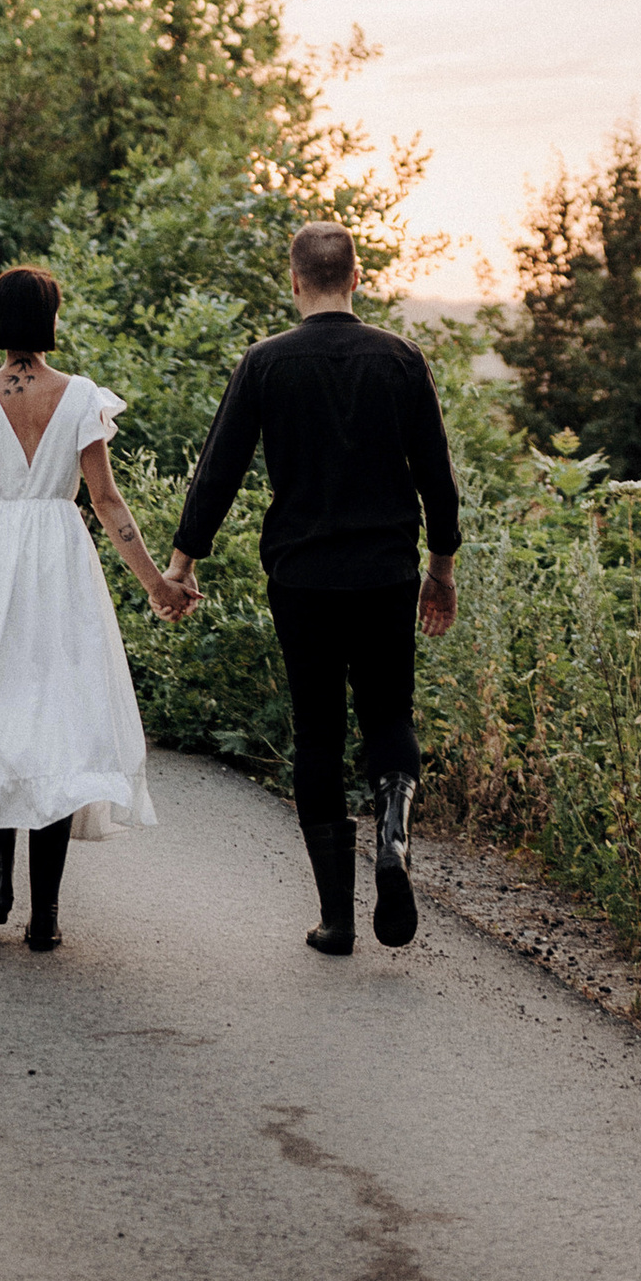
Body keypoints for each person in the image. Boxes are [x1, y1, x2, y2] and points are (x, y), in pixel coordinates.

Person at [166, 220, 460, 957]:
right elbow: (436, 476)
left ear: (294, 280)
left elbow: (219, 469)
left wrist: (183, 562)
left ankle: (336, 918)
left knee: (319, 733)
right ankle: (393, 839)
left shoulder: (266, 364)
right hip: (387, 571)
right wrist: (441, 569)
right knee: (390, 713)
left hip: (302, 576)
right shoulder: (399, 359)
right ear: (356, 277)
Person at [0, 263, 189, 950]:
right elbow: (107, 501)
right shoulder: (83, 397)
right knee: (57, 722)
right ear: (50, 321)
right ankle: (48, 916)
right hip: (59, 563)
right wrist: (156, 581)